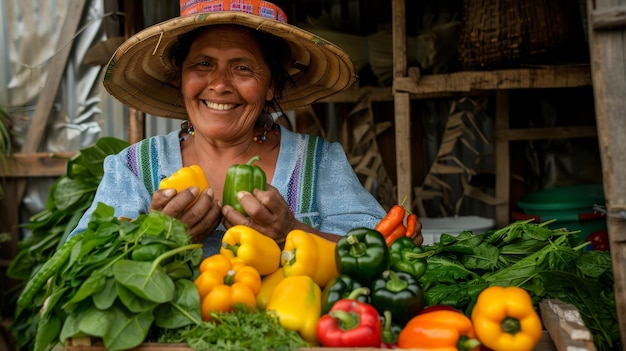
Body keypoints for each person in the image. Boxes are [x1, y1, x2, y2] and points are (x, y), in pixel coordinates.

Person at [68, 0, 423, 256]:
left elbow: (384, 254)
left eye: (243, 68)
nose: (220, 85)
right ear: (181, 79)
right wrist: (153, 236)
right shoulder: (133, 168)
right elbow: (76, 265)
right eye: (203, 64)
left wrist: (292, 233)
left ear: (270, 86)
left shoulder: (318, 162)